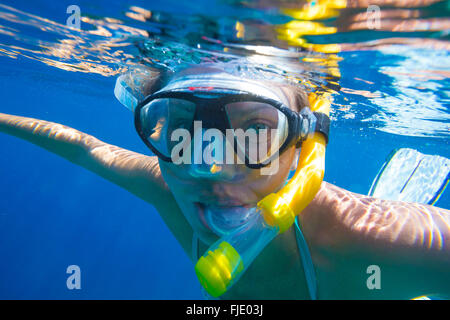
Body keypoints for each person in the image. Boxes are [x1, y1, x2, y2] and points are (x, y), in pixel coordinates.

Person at [0, 65, 449, 300]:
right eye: (182, 134)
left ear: (301, 148)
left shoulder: (365, 240)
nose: (212, 169)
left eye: (255, 134)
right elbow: (85, 147)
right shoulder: (165, 186)